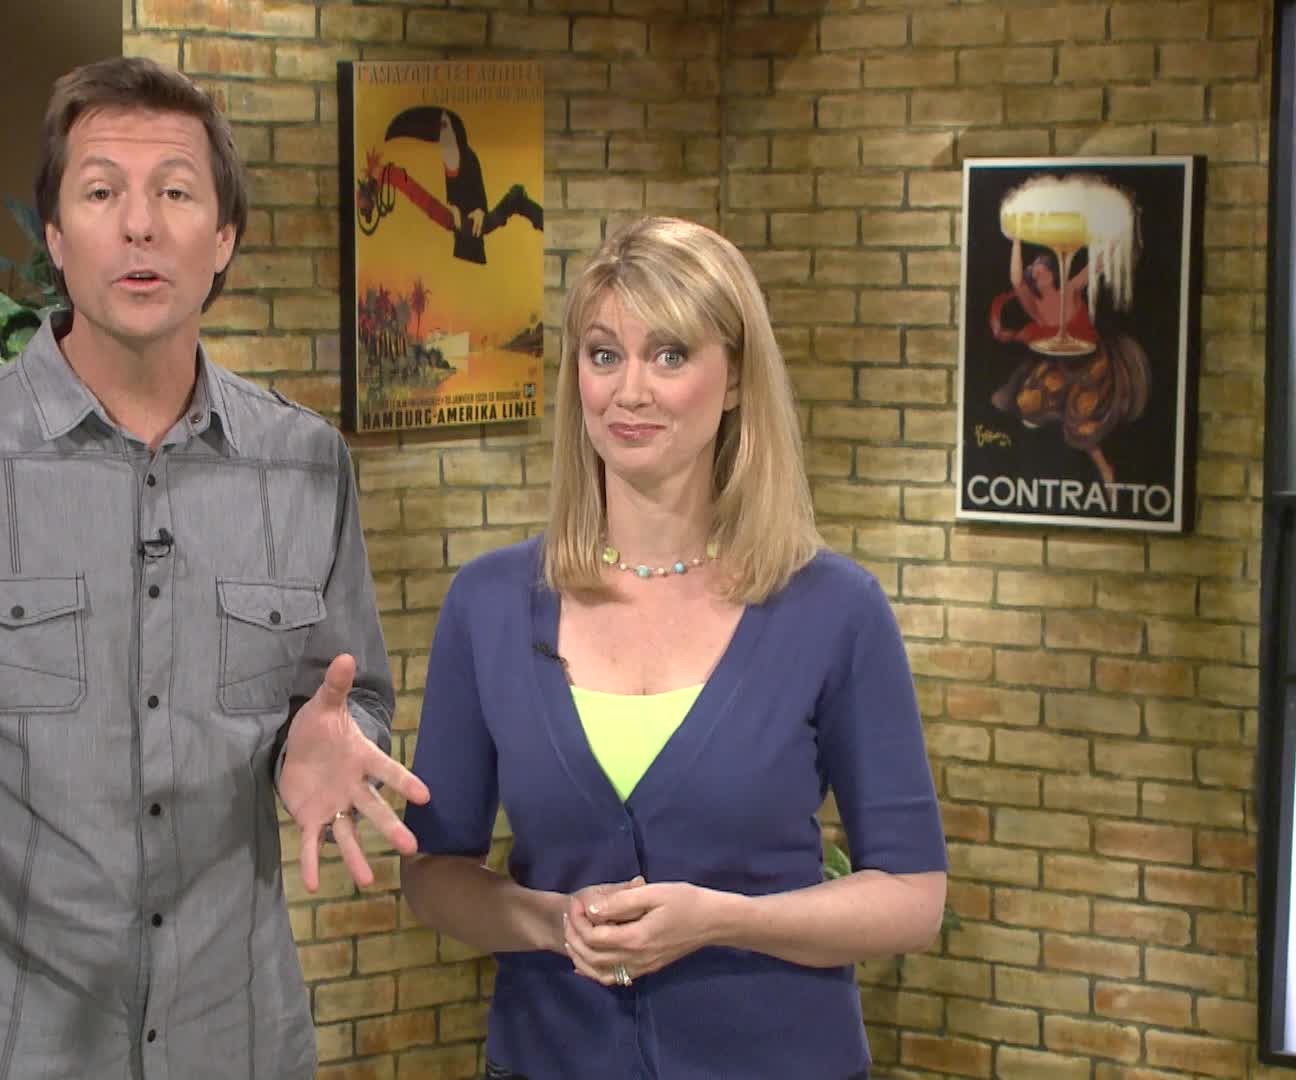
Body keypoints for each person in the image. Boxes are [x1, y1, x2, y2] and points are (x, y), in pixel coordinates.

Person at [0, 56, 428, 1080]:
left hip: (235, 1041)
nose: (139, 225)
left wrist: (327, 741)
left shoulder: (305, 464)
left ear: (223, 238)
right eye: (101, 193)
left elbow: (346, 696)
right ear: (55, 235)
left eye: (175, 193)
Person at [400, 217, 947, 1079]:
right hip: (549, 1056)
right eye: (604, 355)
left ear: (734, 380)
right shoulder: (490, 604)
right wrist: (552, 923)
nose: (630, 391)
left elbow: (913, 897)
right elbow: (435, 872)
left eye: (669, 356)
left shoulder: (835, 611)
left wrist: (725, 920)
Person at [986, 235, 1150, 486]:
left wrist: (1114, 241)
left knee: (1081, 417)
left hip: (1092, 363)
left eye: (1042, 269)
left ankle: (1105, 469)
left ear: (1053, 274)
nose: (1037, 273)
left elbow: (1094, 267)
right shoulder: (1034, 305)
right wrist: (1016, 240)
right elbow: (1016, 280)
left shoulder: (1070, 290)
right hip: (1060, 366)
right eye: (1034, 271)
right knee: (1028, 400)